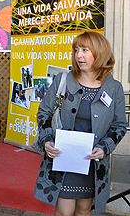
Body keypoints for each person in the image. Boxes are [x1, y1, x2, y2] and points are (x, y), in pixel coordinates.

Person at [34, 31, 127, 216]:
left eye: (85, 50)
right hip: (64, 160)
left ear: (99, 53)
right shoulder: (63, 80)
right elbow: (43, 113)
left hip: (92, 163)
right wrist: (46, 140)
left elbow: (119, 125)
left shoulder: (114, 88)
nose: (79, 55)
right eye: (76, 50)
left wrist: (104, 148)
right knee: (64, 212)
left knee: (84, 210)